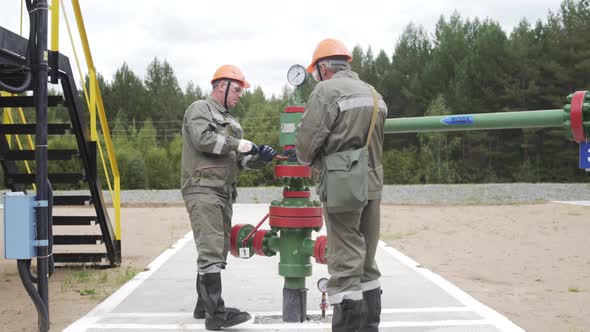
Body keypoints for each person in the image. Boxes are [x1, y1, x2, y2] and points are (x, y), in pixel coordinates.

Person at [295, 39, 387, 331]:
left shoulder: (326, 90)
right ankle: (370, 326)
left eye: (315, 72)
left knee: (344, 262)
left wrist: (307, 156)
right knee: (367, 261)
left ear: (323, 68)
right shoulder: (374, 94)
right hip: (372, 183)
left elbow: (306, 144)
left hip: (342, 185)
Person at [181, 64, 277, 330]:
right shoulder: (200, 109)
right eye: (237, 89)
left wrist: (260, 158)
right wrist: (238, 144)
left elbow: (241, 162)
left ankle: (203, 307)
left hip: (222, 192)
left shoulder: (233, 123)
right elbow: (203, 140)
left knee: (217, 247)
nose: (240, 95)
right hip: (202, 188)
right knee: (211, 247)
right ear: (220, 86)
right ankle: (216, 315)